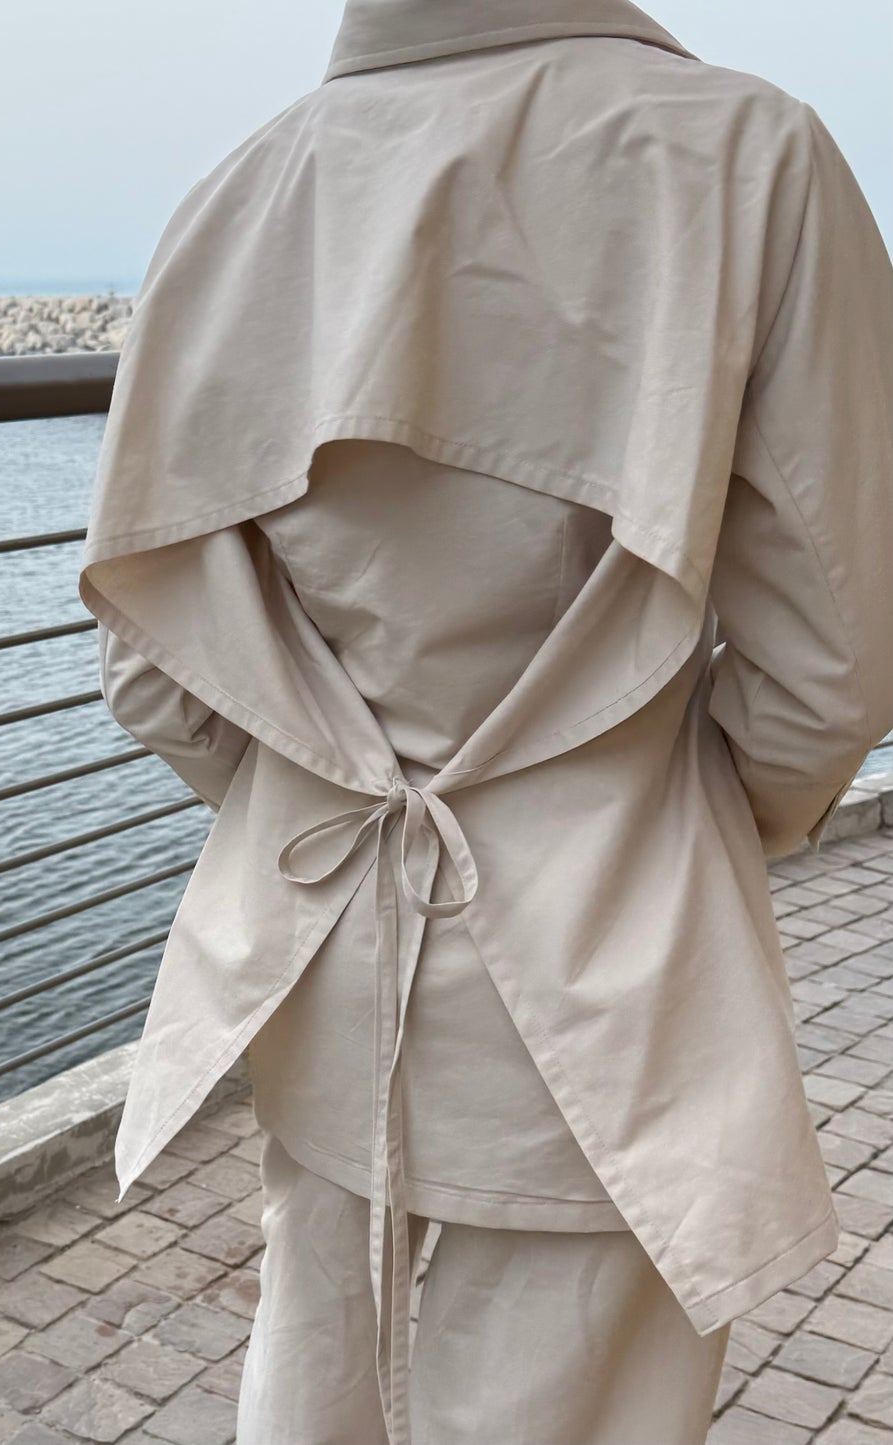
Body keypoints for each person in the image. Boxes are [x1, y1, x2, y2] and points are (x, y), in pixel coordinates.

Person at [77, 1, 893, 1441]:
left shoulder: (239, 194)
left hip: (311, 957)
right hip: (609, 962)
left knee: (311, 1378)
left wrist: (317, 788)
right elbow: (833, 663)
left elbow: (155, 670)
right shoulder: (746, 156)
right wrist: (687, 825)